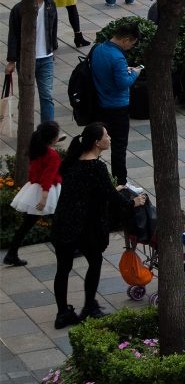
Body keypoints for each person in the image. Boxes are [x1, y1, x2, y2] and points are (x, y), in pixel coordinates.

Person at [49, 123, 133, 327]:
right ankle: (89, 306)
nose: (110, 138)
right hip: (85, 227)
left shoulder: (71, 162)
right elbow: (110, 196)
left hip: (63, 223)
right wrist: (132, 202)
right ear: (97, 143)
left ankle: (62, 314)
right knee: (94, 262)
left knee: (63, 268)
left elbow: (89, 190)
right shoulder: (96, 167)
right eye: (106, 135)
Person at [88, 19, 142, 185]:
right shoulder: (118, 57)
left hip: (99, 104)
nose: (130, 47)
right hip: (117, 107)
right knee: (119, 147)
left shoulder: (98, 49)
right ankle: (121, 182)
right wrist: (135, 73)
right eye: (131, 44)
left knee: (95, 144)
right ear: (126, 40)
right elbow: (122, 83)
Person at [3, 120, 63, 266]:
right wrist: (44, 197)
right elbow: (48, 176)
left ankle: (11, 253)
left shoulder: (37, 149)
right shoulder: (52, 155)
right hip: (47, 192)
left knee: (27, 224)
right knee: (60, 221)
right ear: (52, 139)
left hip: (34, 189)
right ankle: (66, 250)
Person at [6, 0, 59, 125]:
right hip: (26, 59)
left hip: (46, 58)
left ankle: (48, 131)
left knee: (47, 96)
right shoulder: (19, 9)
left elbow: (53, 29)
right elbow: (13, 35)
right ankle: (25, 129)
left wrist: (53, 49)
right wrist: (12, 60)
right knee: (26, 97)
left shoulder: (50, 5)